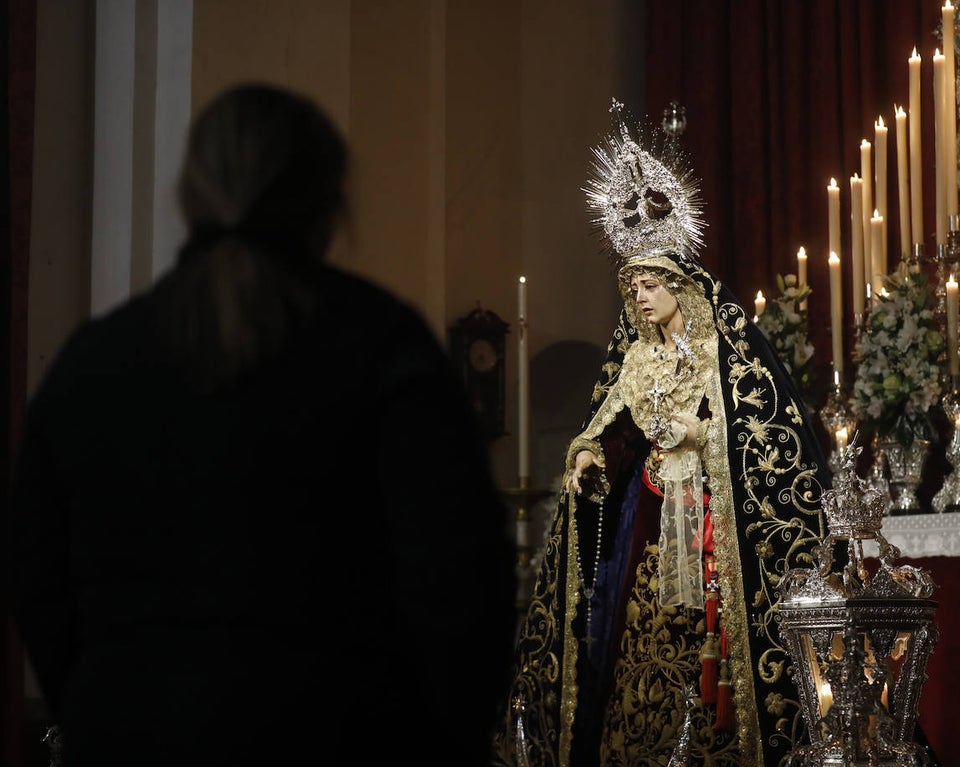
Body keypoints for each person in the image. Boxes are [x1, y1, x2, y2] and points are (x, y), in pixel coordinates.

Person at [7, 83, 517, 766]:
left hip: (131, 731)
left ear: (188, 194)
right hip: (344, 734)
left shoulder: (93, 362)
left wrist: (104, 699)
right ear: (331, 201)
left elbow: (36, 570)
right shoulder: (384, 346)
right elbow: (462, 577)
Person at [490, 100, 832, 767]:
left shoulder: (723, 351)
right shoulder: (637, 356)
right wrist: (589, 453)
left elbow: (757, 432)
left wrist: (705, 443)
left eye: (650, 284)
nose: (641, 298)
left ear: (679, 283)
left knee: (713, 641)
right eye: (634, 288)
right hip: (644, 524)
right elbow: (612, 428)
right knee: (636, 638)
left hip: (711, 525)